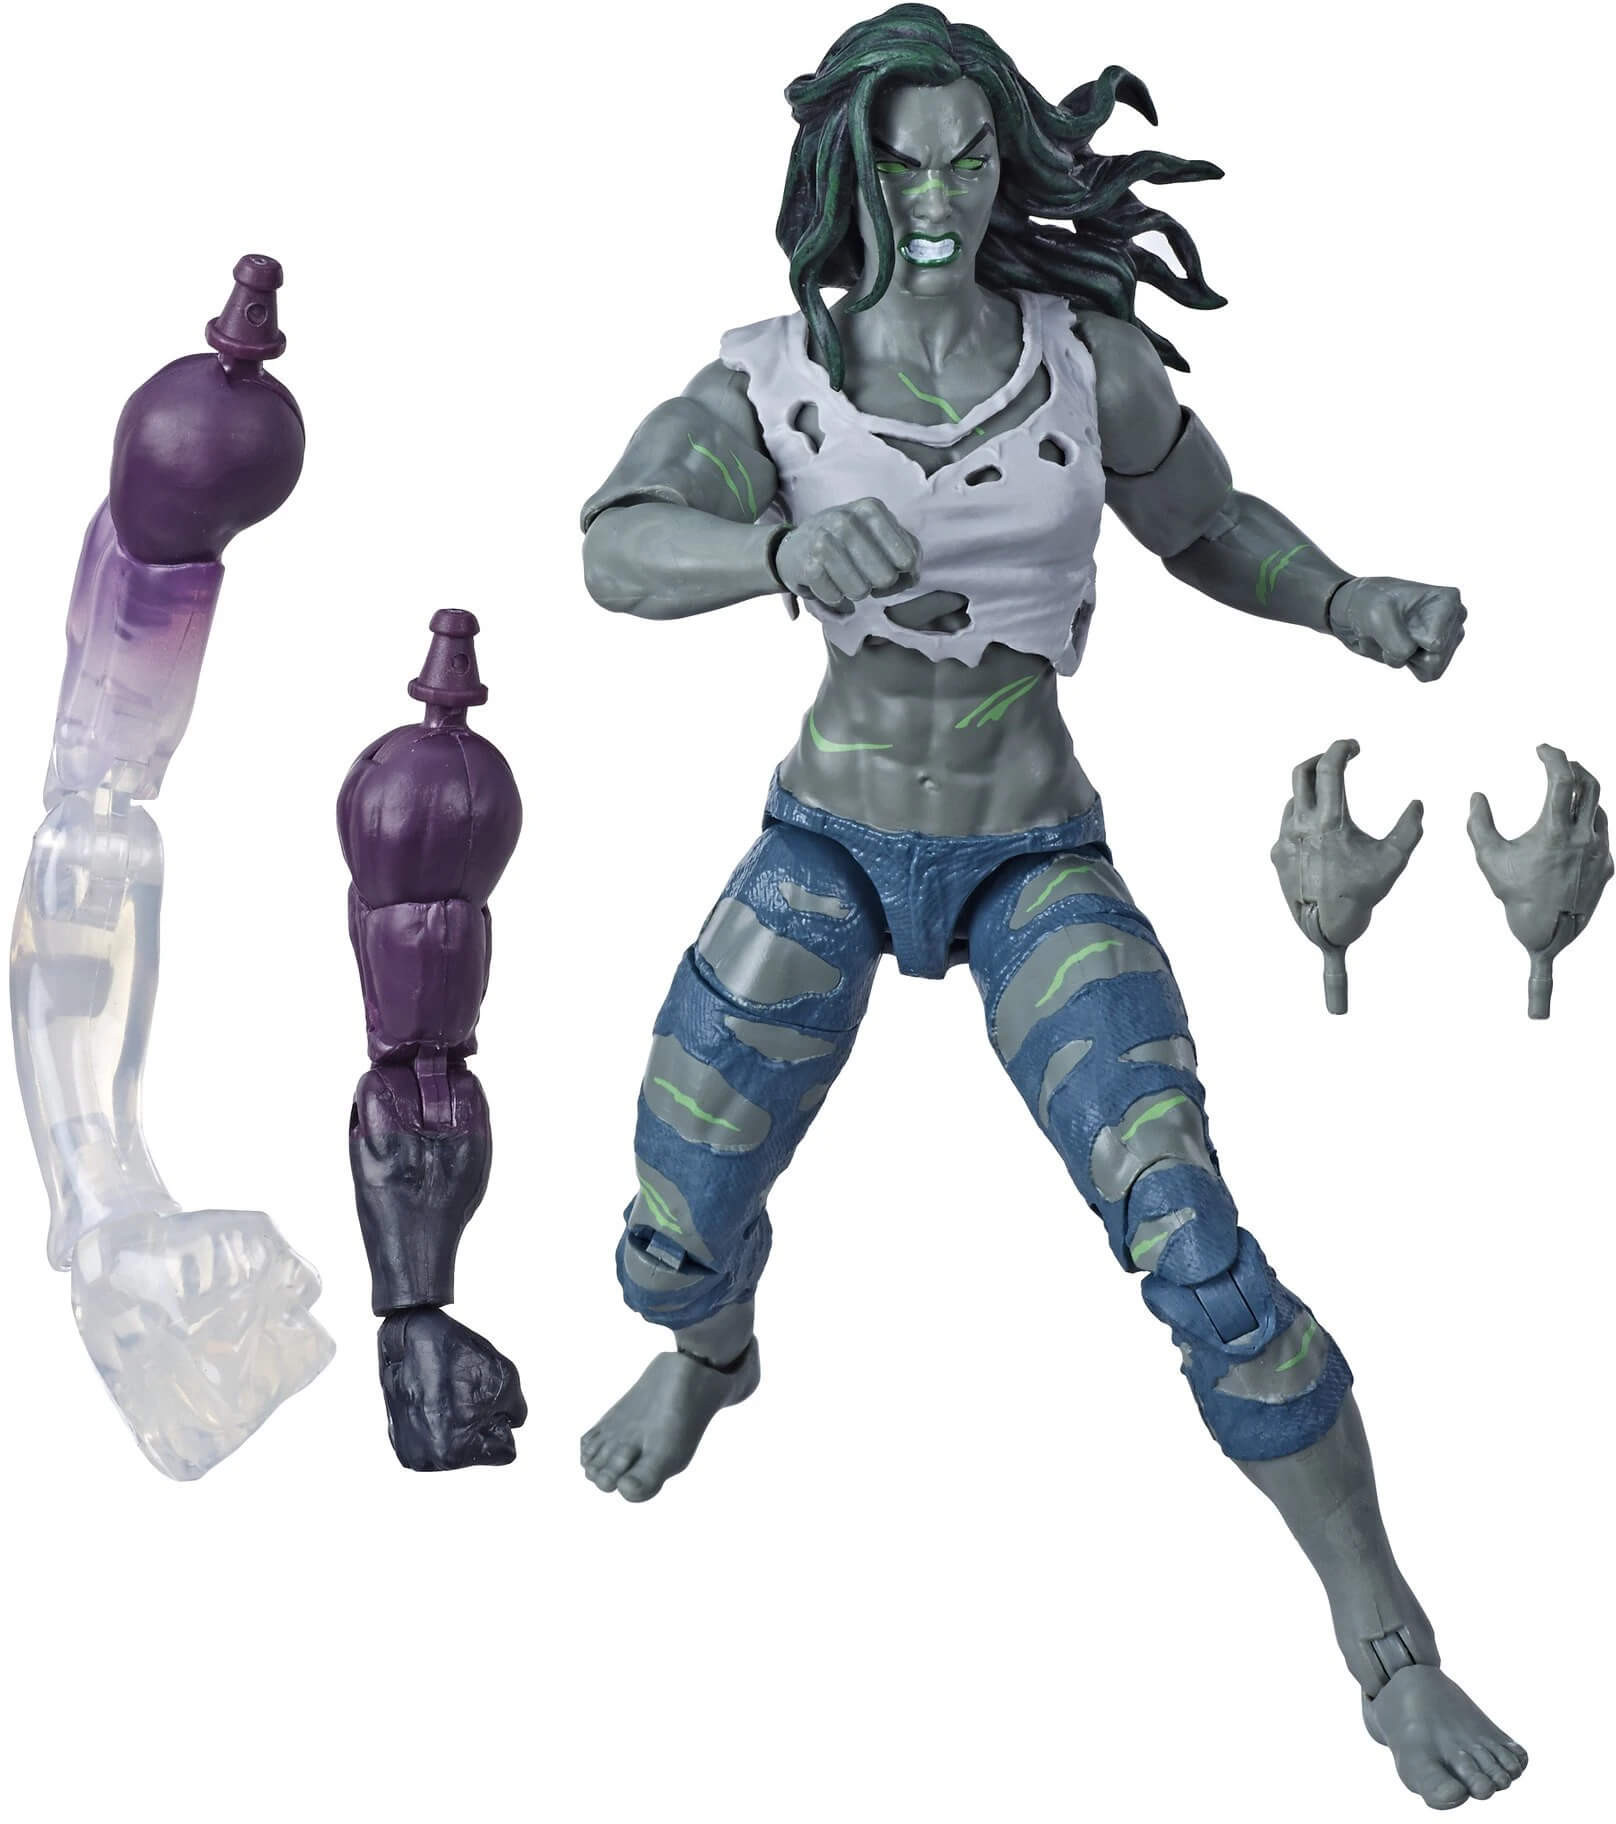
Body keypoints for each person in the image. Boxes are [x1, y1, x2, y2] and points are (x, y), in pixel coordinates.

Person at [578, 8, 1520, 1807]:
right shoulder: (770, 381)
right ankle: (712, 1357)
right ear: (848, 176)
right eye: (902, 166)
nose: (937, 198)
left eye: (967, 161)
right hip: (831, 842)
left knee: (1196, 1242)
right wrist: (775, 548)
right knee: (673, 1223)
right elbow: (614, 544)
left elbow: (1207, 524)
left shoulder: (1089, 366)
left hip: (1031, 857)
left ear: (1004, 167)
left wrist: (1349, 604)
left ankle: (1387, 1641)